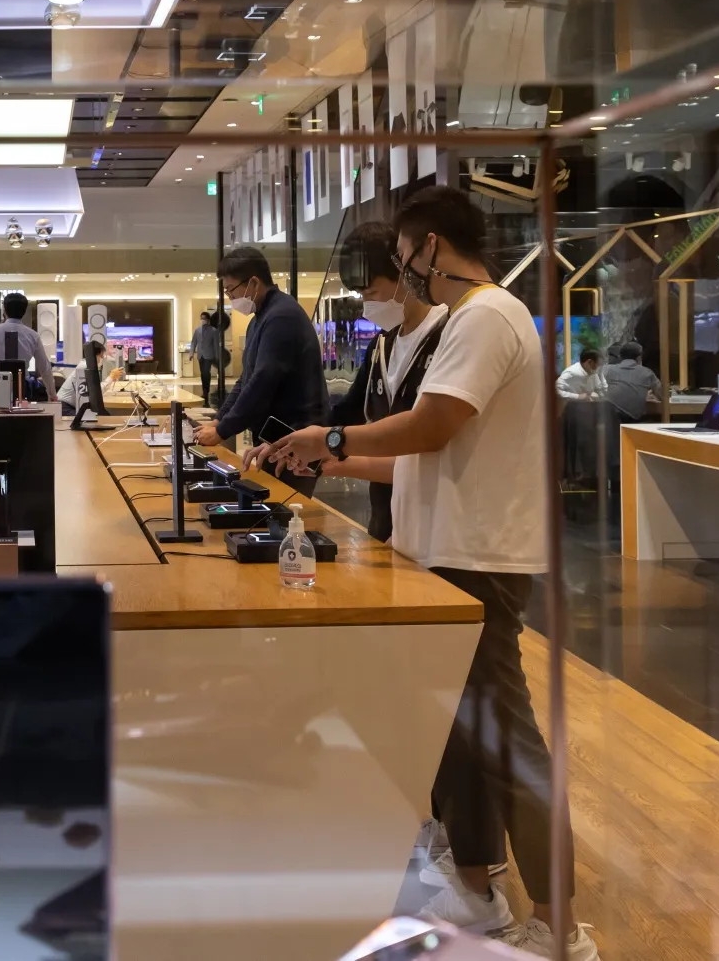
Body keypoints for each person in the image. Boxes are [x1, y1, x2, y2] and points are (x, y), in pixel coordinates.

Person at [251, 185, 597, 959]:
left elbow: (435, 423)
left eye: (404, 255)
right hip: (448, 553)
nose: (401, 269)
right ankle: (480, 890)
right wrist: (323, 450)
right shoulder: (474, 321)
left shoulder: (484, 317)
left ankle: (562, 927)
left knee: (510, 746)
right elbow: (422, 456)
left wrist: (332, 442)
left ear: (430, 247)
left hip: (480, 560)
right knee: (470, 738)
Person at [318, 221, 447, 543]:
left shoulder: (450, 333)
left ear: (404, 271)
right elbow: (348, 411)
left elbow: (427, 441)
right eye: (361, 295)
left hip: (437, 528)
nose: (367, 304)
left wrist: (335, 456)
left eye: (372, 292)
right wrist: (299, 443)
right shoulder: (383, 343)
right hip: (386, 519)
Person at [193, 244, 326, 494]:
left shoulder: (281, 317)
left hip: (295, 438)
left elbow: (263, 381)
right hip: (274, 437)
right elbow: (246, 380)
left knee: (285, 510)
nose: (231, 298)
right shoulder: (261, 319)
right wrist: (220, 419)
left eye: (231, 290)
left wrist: (222, 430)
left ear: (253, 282)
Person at [0, 291, 49, 399]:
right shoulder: (33, 335)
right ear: (24, 311)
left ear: (4, 310)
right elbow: (44, 367)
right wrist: (52, 393)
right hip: (24, 389)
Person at [601, 341, 661, 420]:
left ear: (620, 356)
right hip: (630, 419)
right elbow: (662, 395)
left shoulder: (607, 369)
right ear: (639, 357)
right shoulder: (647, 373)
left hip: (607, 416)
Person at [191, 310, 228, 405]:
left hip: (209, 355)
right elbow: (194, 342)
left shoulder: (213, 331)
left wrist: (217, 356)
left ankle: (205, 391)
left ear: (208, 320)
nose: (202, 320)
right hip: (200, 355)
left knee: (205, 372)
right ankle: (204, 389)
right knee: (203, 373)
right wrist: (191, 353)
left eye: (204, 318)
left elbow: (216, 344)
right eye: (201, 318)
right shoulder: (197, 330)